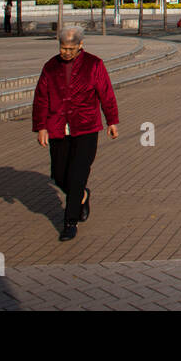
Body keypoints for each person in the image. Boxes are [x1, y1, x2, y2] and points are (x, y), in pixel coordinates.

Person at [31, 24, 119, 241]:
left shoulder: (94, 65)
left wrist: (112, 121)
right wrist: (41, 126)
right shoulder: (50, 67)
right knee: (59, 175)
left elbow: (106, 93)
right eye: (63, 48)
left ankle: (69, 222)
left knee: (78, 173)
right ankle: (82, 196)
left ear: (81, 45)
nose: (66, 52)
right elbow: (41, 98)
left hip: (86, 126)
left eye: (71, 49)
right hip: (58, 127)